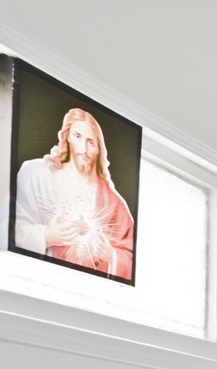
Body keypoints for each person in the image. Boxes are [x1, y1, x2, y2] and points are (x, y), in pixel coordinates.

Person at [13, 107, 135, 281]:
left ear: (99, 149)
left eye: (91, 142)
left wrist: (110, 254)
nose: (84, 149)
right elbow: (8, 226)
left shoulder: (113, 204)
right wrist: (47, 235)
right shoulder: (36, 174)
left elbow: (132, 258)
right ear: (68, 136)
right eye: (78, 136)